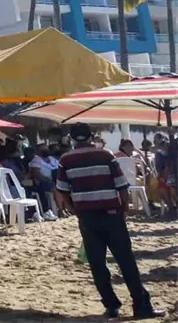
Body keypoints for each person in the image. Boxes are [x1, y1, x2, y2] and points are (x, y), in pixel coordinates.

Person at [56, 124, 162, 320]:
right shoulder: (105, 155)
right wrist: (124, 208)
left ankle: (111, 306)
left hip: (87, 217)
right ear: (91, 137)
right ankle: (141, 306)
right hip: (111, 214)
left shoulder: (66, 159)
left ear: (71, 138)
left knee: (97, 263)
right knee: (126, 261)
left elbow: (62, 189)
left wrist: (74, 208)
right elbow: (121, 185)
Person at [29, 145, 60, 220]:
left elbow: (60, 168)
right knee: (55, 188)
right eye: (43, 149)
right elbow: (37, 175)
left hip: (56, 179)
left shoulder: (52, 159)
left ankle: (67, 208)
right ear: (38, 151)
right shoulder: (36, 161)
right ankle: (60, 210)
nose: (46, 150)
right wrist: (48, 180)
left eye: (46, 149)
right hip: (44, 182)